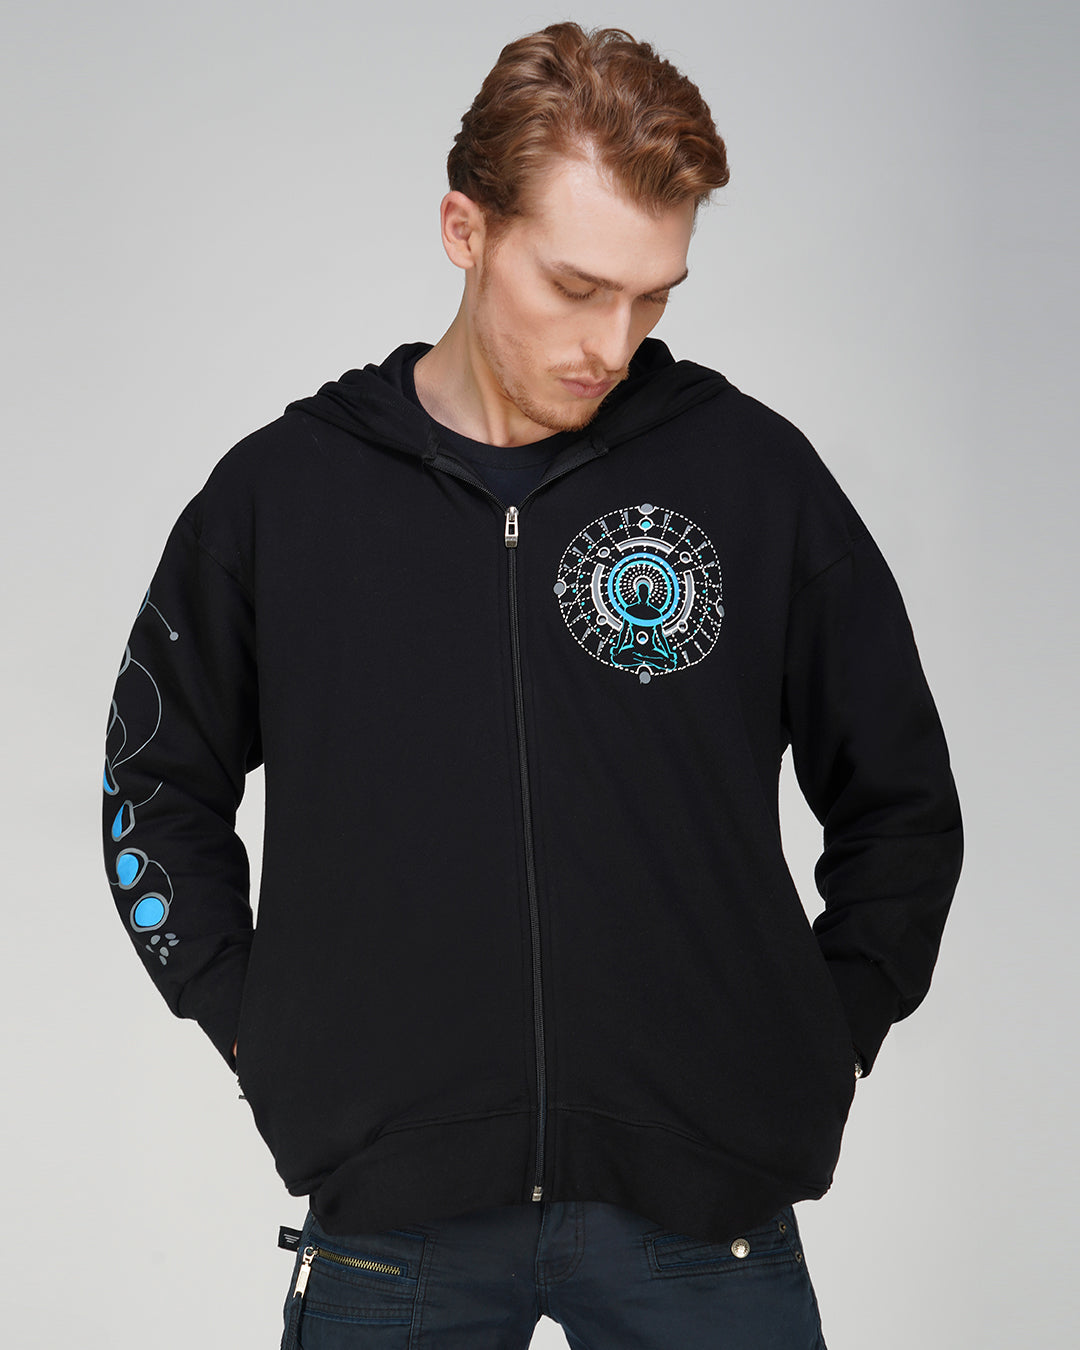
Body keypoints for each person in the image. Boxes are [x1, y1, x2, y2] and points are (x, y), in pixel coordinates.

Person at [101, 21, 963, 1348]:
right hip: (394, 1227)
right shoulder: (285, 496)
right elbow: (153, 783)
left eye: (655, 295)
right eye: (575, 285)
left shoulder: (753, 478)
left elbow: (902, 799)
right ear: (466, 229)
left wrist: (822, 1034)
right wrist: (258, 1026)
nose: (612, 342)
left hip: (705, 1218)